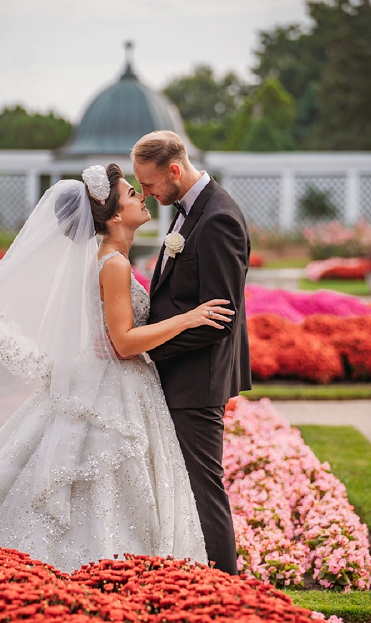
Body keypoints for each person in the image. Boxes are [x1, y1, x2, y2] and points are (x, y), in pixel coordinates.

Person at [0, 164, 234, 574]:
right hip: (115, 386)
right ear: (115, 215)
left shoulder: (112, 260)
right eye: (132, 194)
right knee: (107, 482)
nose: (142, 197)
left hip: (117, 382)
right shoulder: (113, 264)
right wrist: (187, 319)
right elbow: (123, 342)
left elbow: (112, 336)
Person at [132, 131, 252, 575]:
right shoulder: (188, 212)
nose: (146, 194)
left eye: (148, 184)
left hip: (196, 379)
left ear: (174, 171)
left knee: (204, 488)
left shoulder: (218, 218)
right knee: (187, 485)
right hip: (182, 374)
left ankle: (224, 585)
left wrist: (150, 350)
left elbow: (218, 318)